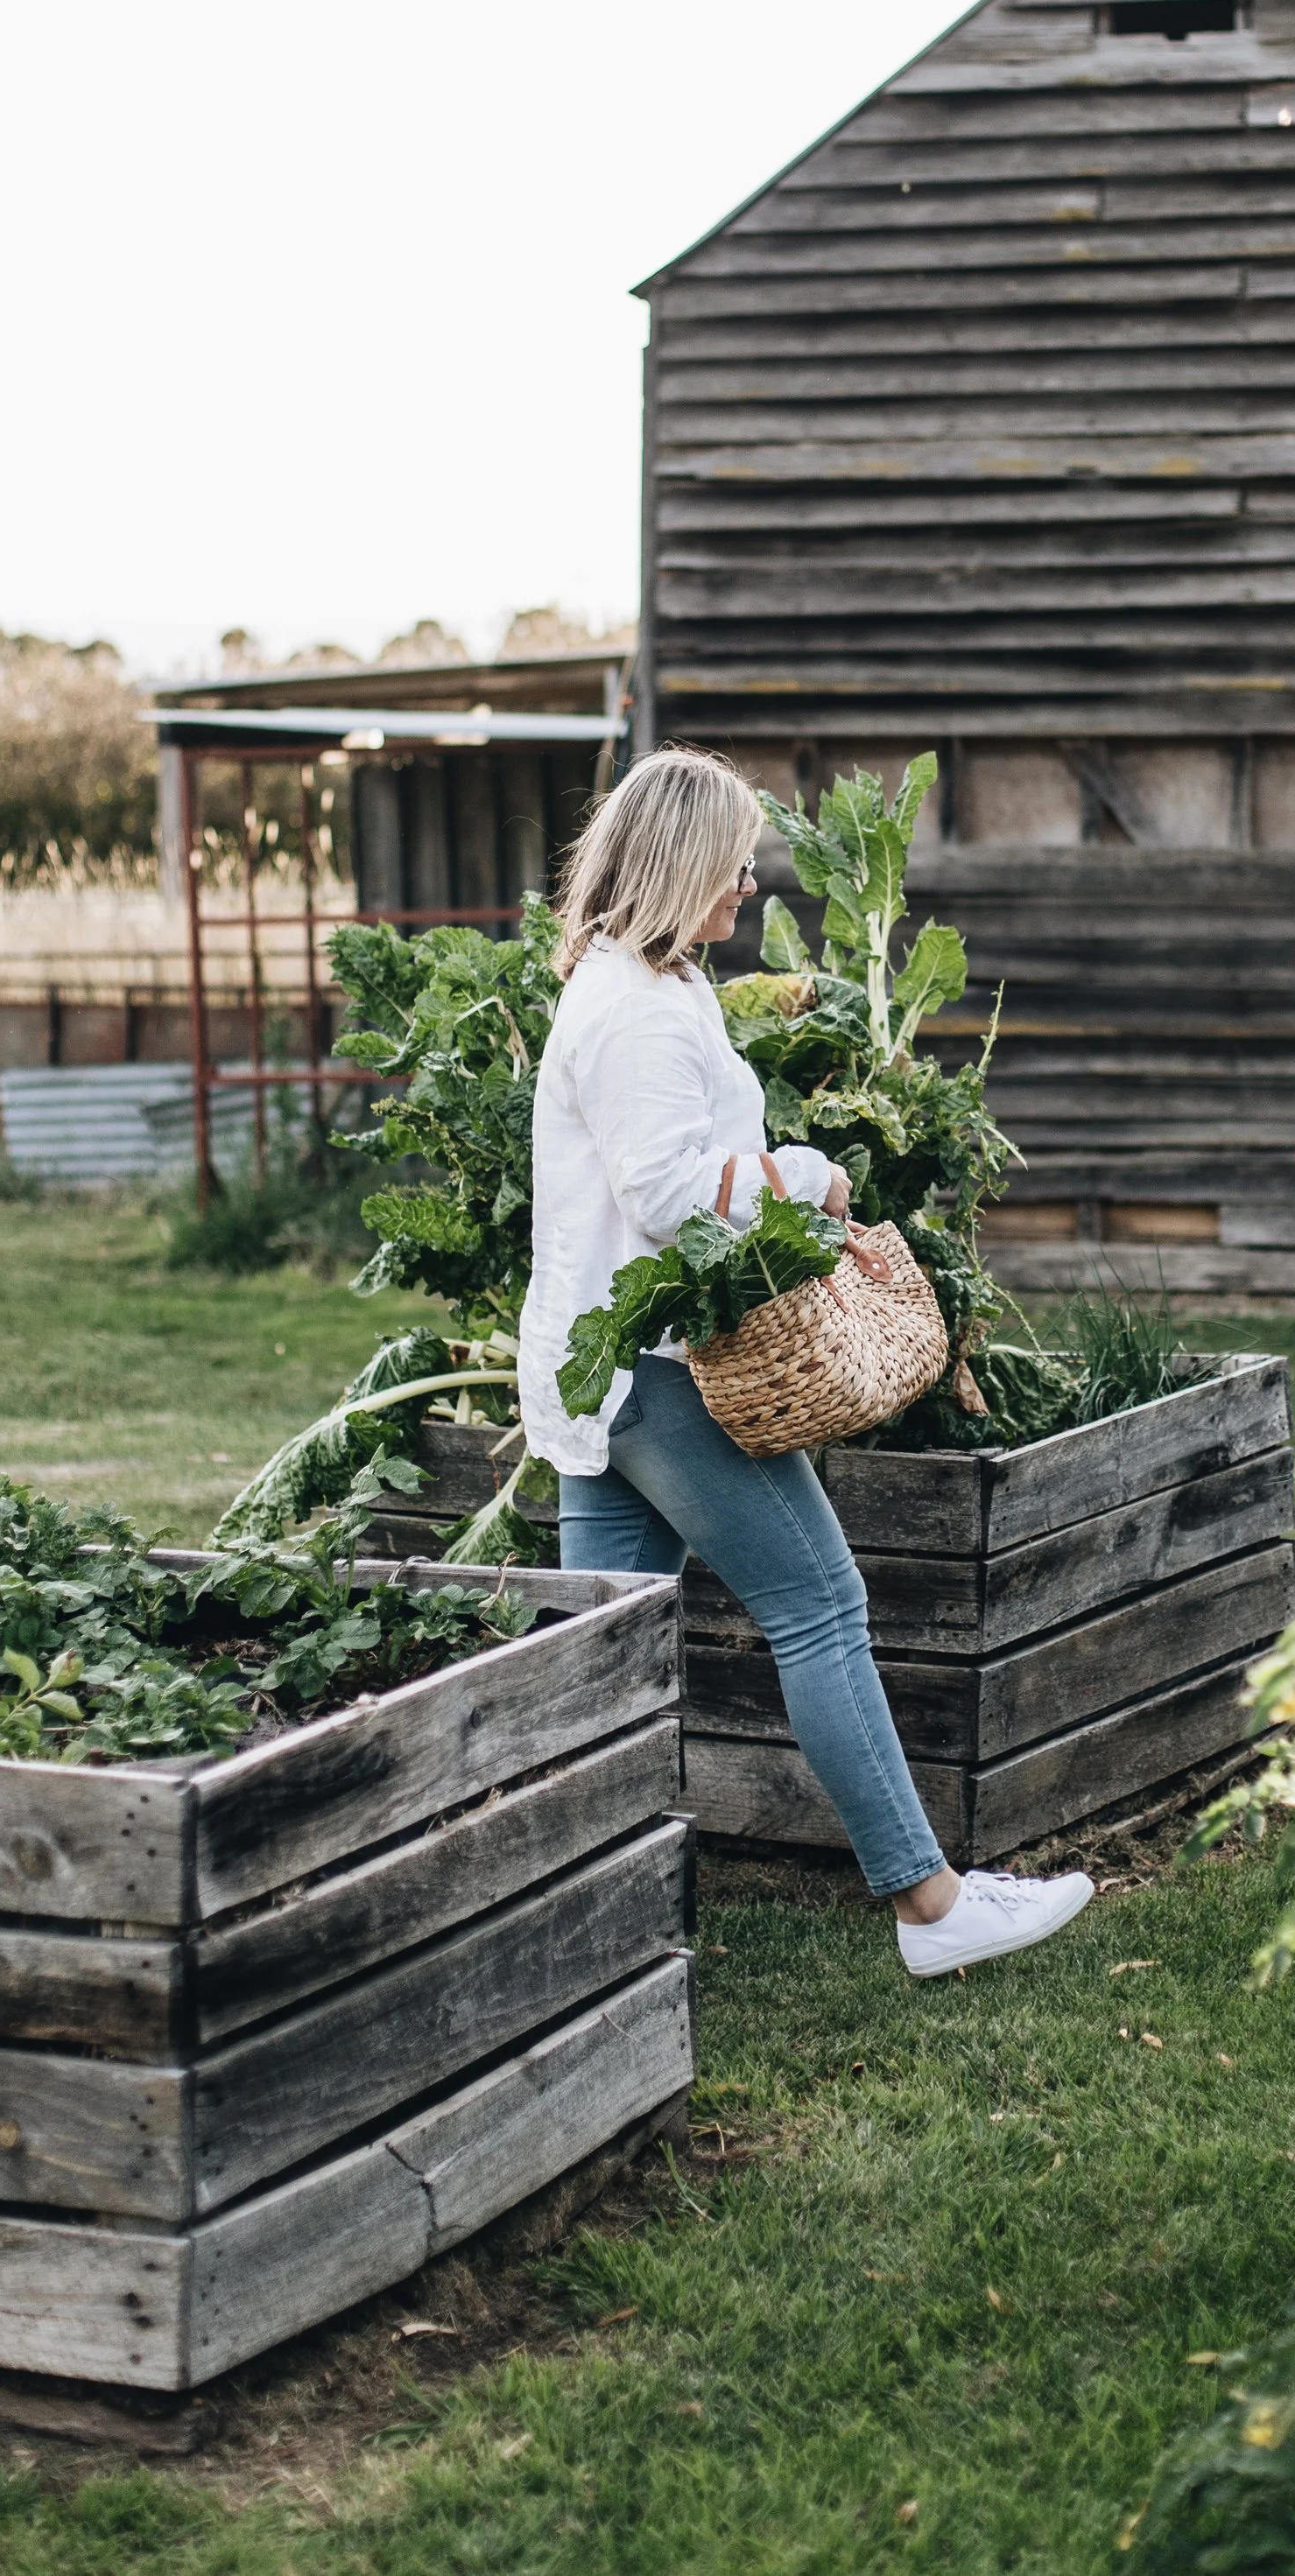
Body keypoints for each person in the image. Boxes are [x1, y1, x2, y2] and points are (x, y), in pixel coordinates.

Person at [517, 743, 1092, 1976]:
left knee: (600, 1659)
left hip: (609, 1368)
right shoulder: (631, 1014)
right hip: (662, 1366)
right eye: (731, 866)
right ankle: (932, 1908)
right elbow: (668, 1190)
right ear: (677, 864)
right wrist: (805, 1174)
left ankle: (571, 1932)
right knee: (820, 1604)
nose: (746, 886)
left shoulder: (644, 987)